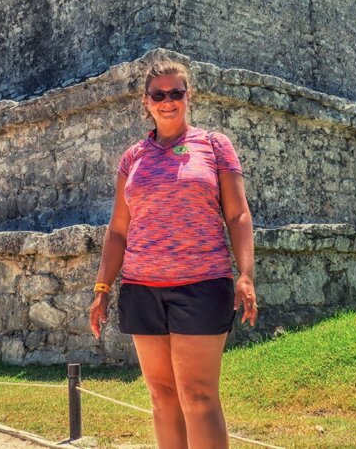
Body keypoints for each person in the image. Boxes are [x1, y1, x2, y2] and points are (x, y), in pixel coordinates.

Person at [89, 60, 258, 449]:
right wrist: (102, 287)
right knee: (162, 397)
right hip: (141, 286)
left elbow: (238, 214)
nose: (168, 102)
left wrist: (245, 275)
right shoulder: (132, 158)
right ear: (146, 102)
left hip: (201, 283)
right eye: (159, 95)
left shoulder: (214, 146)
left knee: (198, 397)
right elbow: (118, 230)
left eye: (176, 93)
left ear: (188, 96)